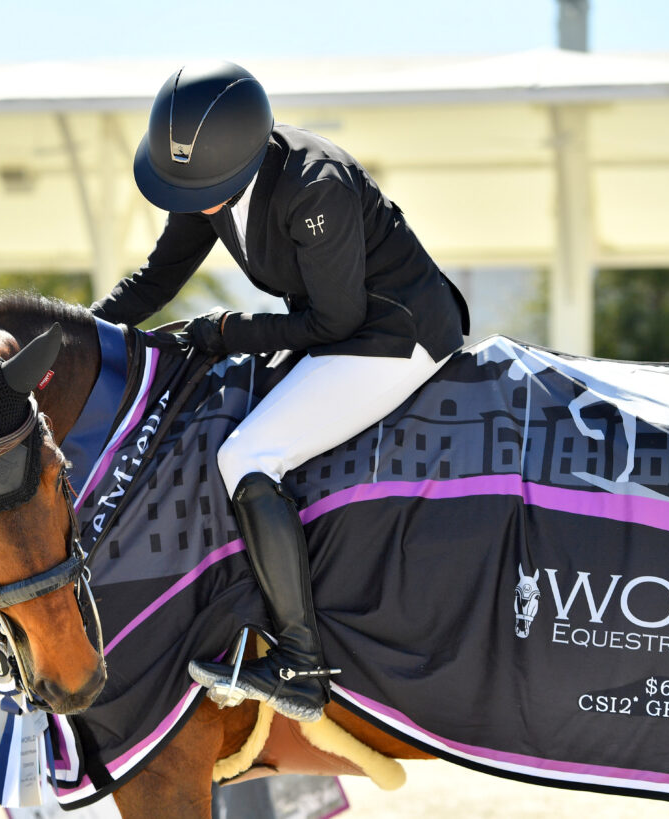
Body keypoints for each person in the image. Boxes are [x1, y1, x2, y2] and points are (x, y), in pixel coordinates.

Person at [90, 61, 470, 723]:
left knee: (247, 455)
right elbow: (156, 281)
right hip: (337, 328)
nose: (191, 199)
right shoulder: (204, 181)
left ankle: (300, 663)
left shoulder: (312, 187)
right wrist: (76, 335)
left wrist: (225, 329)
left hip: (394, 334)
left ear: (241, 158)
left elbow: (335, 321)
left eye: (202, 187)